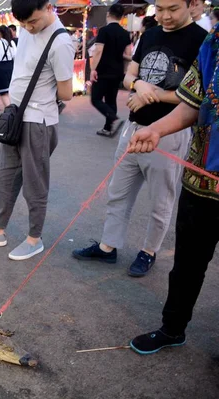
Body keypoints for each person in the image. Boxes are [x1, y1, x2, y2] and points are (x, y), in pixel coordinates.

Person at [72, 0, 207, 277]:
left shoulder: (201, 41)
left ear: (191, 4)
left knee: (161, 199)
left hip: (168, 132)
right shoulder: (150, 34)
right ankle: (108, 246)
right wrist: (138, 84)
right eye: (160, 9)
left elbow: (199, 98)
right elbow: (129, 74)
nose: (165, 16)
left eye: (173, 9)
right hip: (133, 128)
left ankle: (149, 252)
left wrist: (154, 93)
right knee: (118, 192)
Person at [126, 28, 219, 353]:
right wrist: (155, 129)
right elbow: (192, 103)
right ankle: (172, 329)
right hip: (201, 178)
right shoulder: (214, 42)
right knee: (187, 265)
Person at [0, 0, 74, 261]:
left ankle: (34, 239)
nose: (28, 27)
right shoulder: (27, 29)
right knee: (4, 176)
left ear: (49, 7)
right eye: (22, 23)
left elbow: (67, 93)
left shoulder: (61, 42)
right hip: (16, 116)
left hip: (39, 121)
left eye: (33, 21)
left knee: (35, 185)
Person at [89, 4, 132, 137]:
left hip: (103, 70)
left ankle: (112, 117)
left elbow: (98, 51)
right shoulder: (125, 33)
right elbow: (128, 55)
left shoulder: (104, 31)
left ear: (108, 14)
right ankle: (108, 128)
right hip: (117, 70)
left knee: (95, 98)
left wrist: (92, 69)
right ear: (121, 17)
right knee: (111, 99)